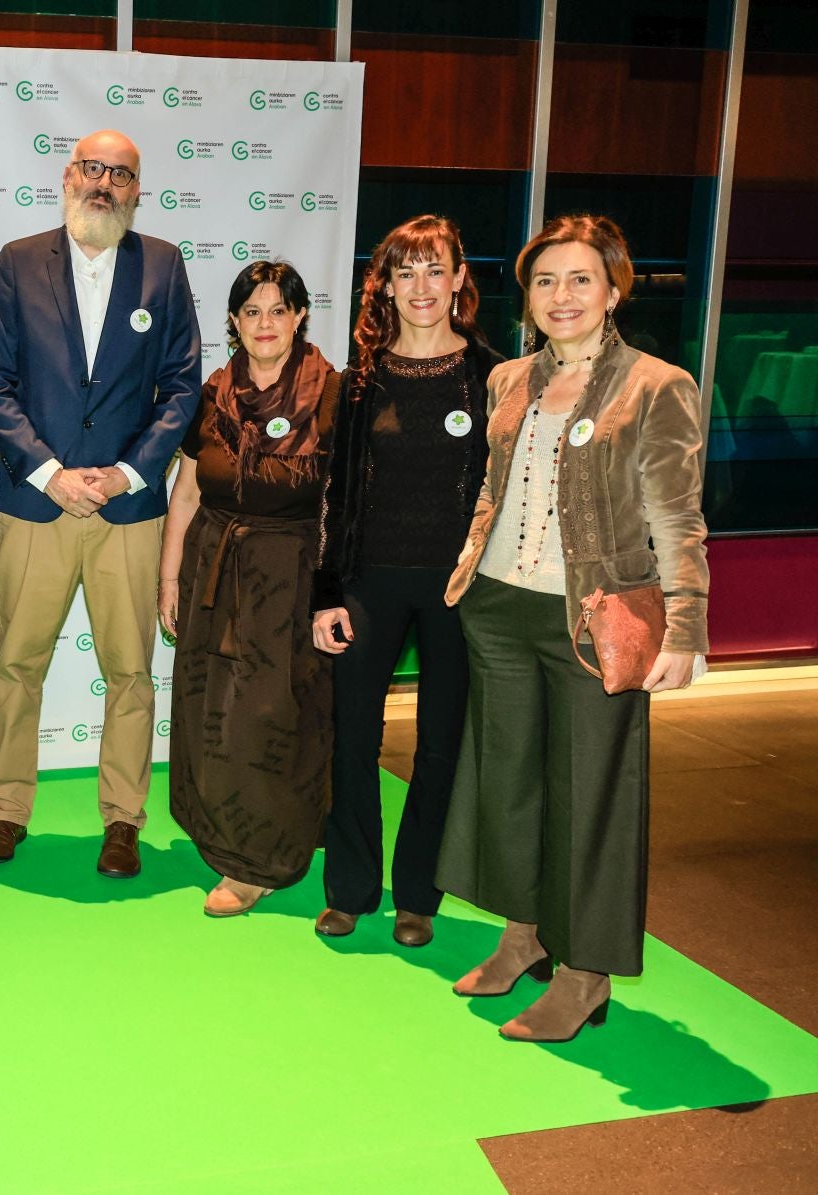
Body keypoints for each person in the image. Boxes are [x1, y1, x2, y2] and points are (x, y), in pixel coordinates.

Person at [438, 214, 708, 1043]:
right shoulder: (509, 379)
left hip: (595, 623)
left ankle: (585, 975)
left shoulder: (657, 385)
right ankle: (522, 938)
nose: (562, 296)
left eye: (581, 278)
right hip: (499, 608)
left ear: (615, 288)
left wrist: (686, 630)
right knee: (508, 784)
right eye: (546, 280)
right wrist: (470, 563)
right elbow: (494, 485)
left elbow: (679, 517)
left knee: (591, 797)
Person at [0, 128, 201, 877]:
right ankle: (6, 811)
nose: (104, 183)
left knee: (132, 672)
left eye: (121, 174)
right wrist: (49, 472)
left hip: (127, 511)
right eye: (93, 168)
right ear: (70, 175)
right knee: (17, 666)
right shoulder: (18, 261)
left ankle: (123, 820)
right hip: (37, 503)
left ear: (137, 189)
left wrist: (127, 474)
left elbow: (181, 389)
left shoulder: (163, 267)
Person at [310, 216, 507, 948]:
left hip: (460, 588)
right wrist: (325, 592)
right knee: (354, 738)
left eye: (435, 270)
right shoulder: (359, 381)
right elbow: (336, 493)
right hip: (369, 581)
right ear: (385, 285)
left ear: (459, 279)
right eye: (406, 272)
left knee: (441, 745)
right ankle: (350, 887)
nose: (421, 286)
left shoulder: (494, 376)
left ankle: (419, 893)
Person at [159, 262, 340, 915]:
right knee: (215, 710)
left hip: (289, 572)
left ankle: (262, 861)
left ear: (299, 317)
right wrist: (169, 574)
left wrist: (332, 588)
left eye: (278, 309)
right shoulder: (211, 393)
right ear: (233, 322)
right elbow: (185, 490)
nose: (266, 323)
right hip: (214, 565)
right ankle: (224, 837)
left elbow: (341, 503)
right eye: (252, 311)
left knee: (274, 714)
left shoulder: (330, 393)